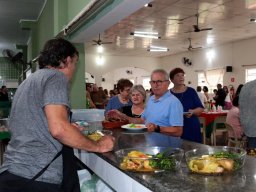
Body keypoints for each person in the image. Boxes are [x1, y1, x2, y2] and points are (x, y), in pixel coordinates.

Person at [0, 38, 115, 192]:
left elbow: (34, 123)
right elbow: (59, 130)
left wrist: (68, 126)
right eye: (75, 63)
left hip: (13, 171)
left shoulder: (29, 81)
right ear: (67, 60)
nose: (74, 69)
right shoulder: (56, 78)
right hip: (38, 175)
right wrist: (99, 146)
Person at [108, 69, 183, 137]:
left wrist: (157, 128)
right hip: (149, 145)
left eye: (159, 82)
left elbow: (178, 131)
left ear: (168, 83)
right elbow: (142, 120)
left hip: (165, 148)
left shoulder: (173, 102)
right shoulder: (151, 99)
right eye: (153, 82)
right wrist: (122, 116)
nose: (155, 85)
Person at [169, 68, 204, 143]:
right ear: (172, 80)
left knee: (193, 151)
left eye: (182, 75)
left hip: (191, 125)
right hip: (174, 126)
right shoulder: (168, 94)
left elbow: (200, 108)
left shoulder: (191, 91)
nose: (181, 77)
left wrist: (193, 111)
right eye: (177, 75)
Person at [239, 80, 256, 148]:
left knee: (252, 154)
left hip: (248, 127)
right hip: (252, 127)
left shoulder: (246, 86)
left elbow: (241, 108)